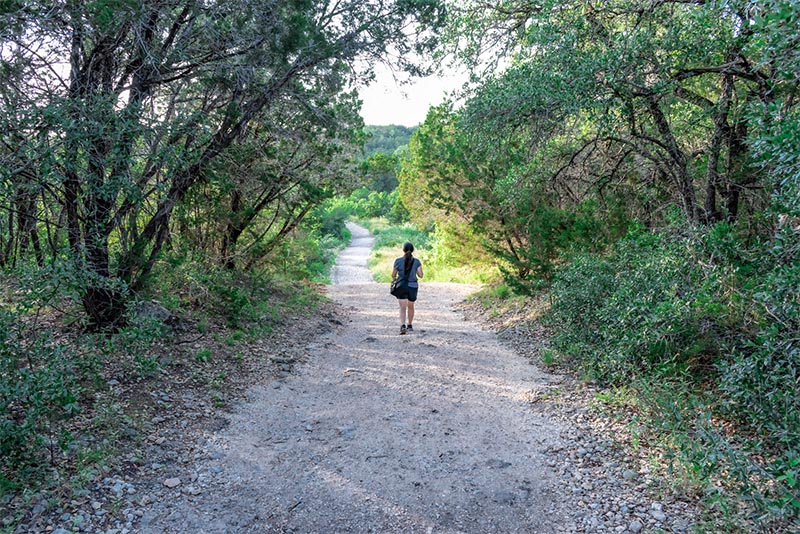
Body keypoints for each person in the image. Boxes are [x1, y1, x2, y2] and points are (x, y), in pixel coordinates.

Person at [391, 242, 423, 335]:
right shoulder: (417, 262)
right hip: (413, 287)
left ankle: (402, 325)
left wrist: (396, 279)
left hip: (402, 286)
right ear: (413, 250)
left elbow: (393, 275)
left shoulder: (398, 261)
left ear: (403, 250)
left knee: (402, 307)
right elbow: (421, 275)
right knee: (411, 306)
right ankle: (410, 325)